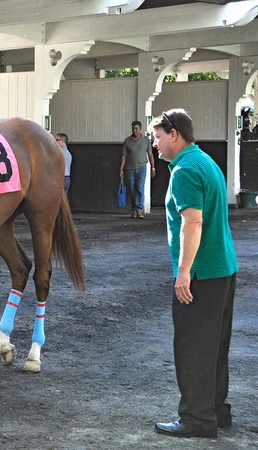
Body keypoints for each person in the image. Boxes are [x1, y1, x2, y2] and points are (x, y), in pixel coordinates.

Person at [150, 109, 238, 439]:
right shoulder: (205, 161)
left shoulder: (185, 170)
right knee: (214, 345)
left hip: (202, 273)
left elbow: (193, 222)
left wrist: (184, 272)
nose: (155, 144)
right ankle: (215, 410)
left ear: (175, 134)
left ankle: (197, 420)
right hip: (224, 270)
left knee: (193, 348)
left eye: (158, 136)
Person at [119, 120, 155, 219]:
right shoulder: (127, 141)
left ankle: (139, 210)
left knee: (140, 187)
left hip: (142, 167)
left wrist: (153, 167)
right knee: (131, 188)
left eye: (136, 129)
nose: (134, 131)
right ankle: (134, 209)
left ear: (140, 129)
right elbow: (124, 155)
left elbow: (150, 154)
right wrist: (121, 169)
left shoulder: (146, 140)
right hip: (130, 168)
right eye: (133, 129)